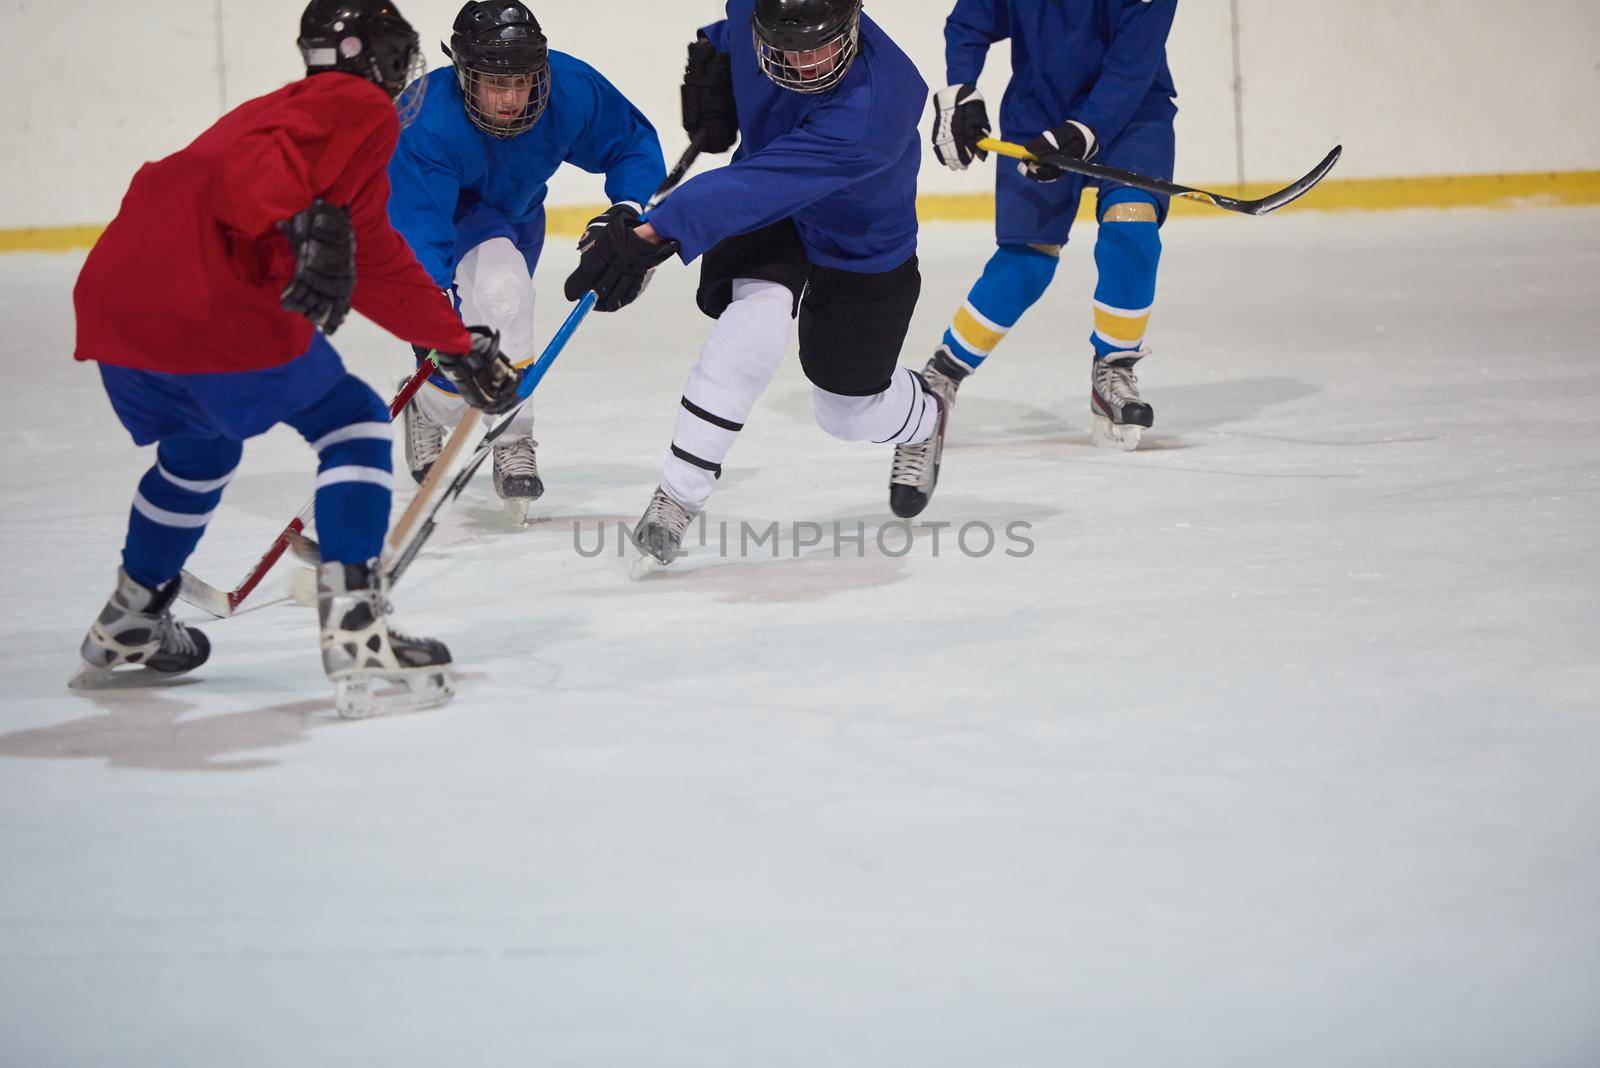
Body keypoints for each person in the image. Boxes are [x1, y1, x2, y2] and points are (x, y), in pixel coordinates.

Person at [69, 0, 523, 717]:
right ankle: (357, 628)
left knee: (200, 450)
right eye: (400, 59)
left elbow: (372, 252)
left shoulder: (291, 114)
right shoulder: (354, 105)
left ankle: (132, 613)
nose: (407, 78)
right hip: (206, 299)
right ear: (375, 59)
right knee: (352, 422)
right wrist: (297, 217)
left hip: (118, 298)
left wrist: (454, 342)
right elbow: (257, 176)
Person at [562, 0, 938, 571]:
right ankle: (676, 498)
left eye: (821, 44)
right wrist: (714, 63)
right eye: (787, 48)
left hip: (859, 236)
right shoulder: (753, 7)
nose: (806, 63)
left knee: (845, 413)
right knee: (753, 325)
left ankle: (926, 415)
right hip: (770, 198)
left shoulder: (878, 107)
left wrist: (651, 234)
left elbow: (759, 186)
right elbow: (730, 31)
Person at [387, 0, 666, 521]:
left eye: (522, 81)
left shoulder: (568, 88)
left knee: (496, 325)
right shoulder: (425, 120)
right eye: (495, 83)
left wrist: (629, 212)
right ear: (462, 73)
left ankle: (437, 405)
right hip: (445, 220)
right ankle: (502, 429)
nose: (512, 97)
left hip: (520, 221)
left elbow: (632, 144)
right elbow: (417, 231)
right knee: (499, 298)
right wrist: (430, 320)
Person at [892, 0, 1178, 489]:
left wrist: (1084, 132)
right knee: (1027, 258)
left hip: (1132, 112)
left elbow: (1132, 63)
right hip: (1039, 109)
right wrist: (961, 89)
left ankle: (1114, 366)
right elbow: (970, 20)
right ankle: (945, 371)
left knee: (1131, 226)